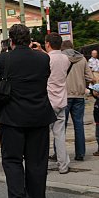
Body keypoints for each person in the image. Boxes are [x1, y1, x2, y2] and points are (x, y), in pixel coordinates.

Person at [0, 24, 55, 198]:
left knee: (13, 160)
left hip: (12, 117)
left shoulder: (5, 58)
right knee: (37, 162)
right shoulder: (43, 58)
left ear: (11, 40)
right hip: (40, 116)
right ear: (30, 39)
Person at [42, 33, 71, 175]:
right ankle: (63, 165)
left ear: (47, 44)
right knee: (60, 135)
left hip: (48, 99)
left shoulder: (47, 59)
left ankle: (42, 165)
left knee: (43, 135)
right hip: (62, 99)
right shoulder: (65, 58)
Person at [62, 39, 93, 161]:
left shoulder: (61, 59)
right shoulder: (82, 59)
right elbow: (90, 76)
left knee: (61, 126)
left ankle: (59, 153)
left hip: (65, 95)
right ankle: (80, 153)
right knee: (79, 125)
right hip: (79, 95)